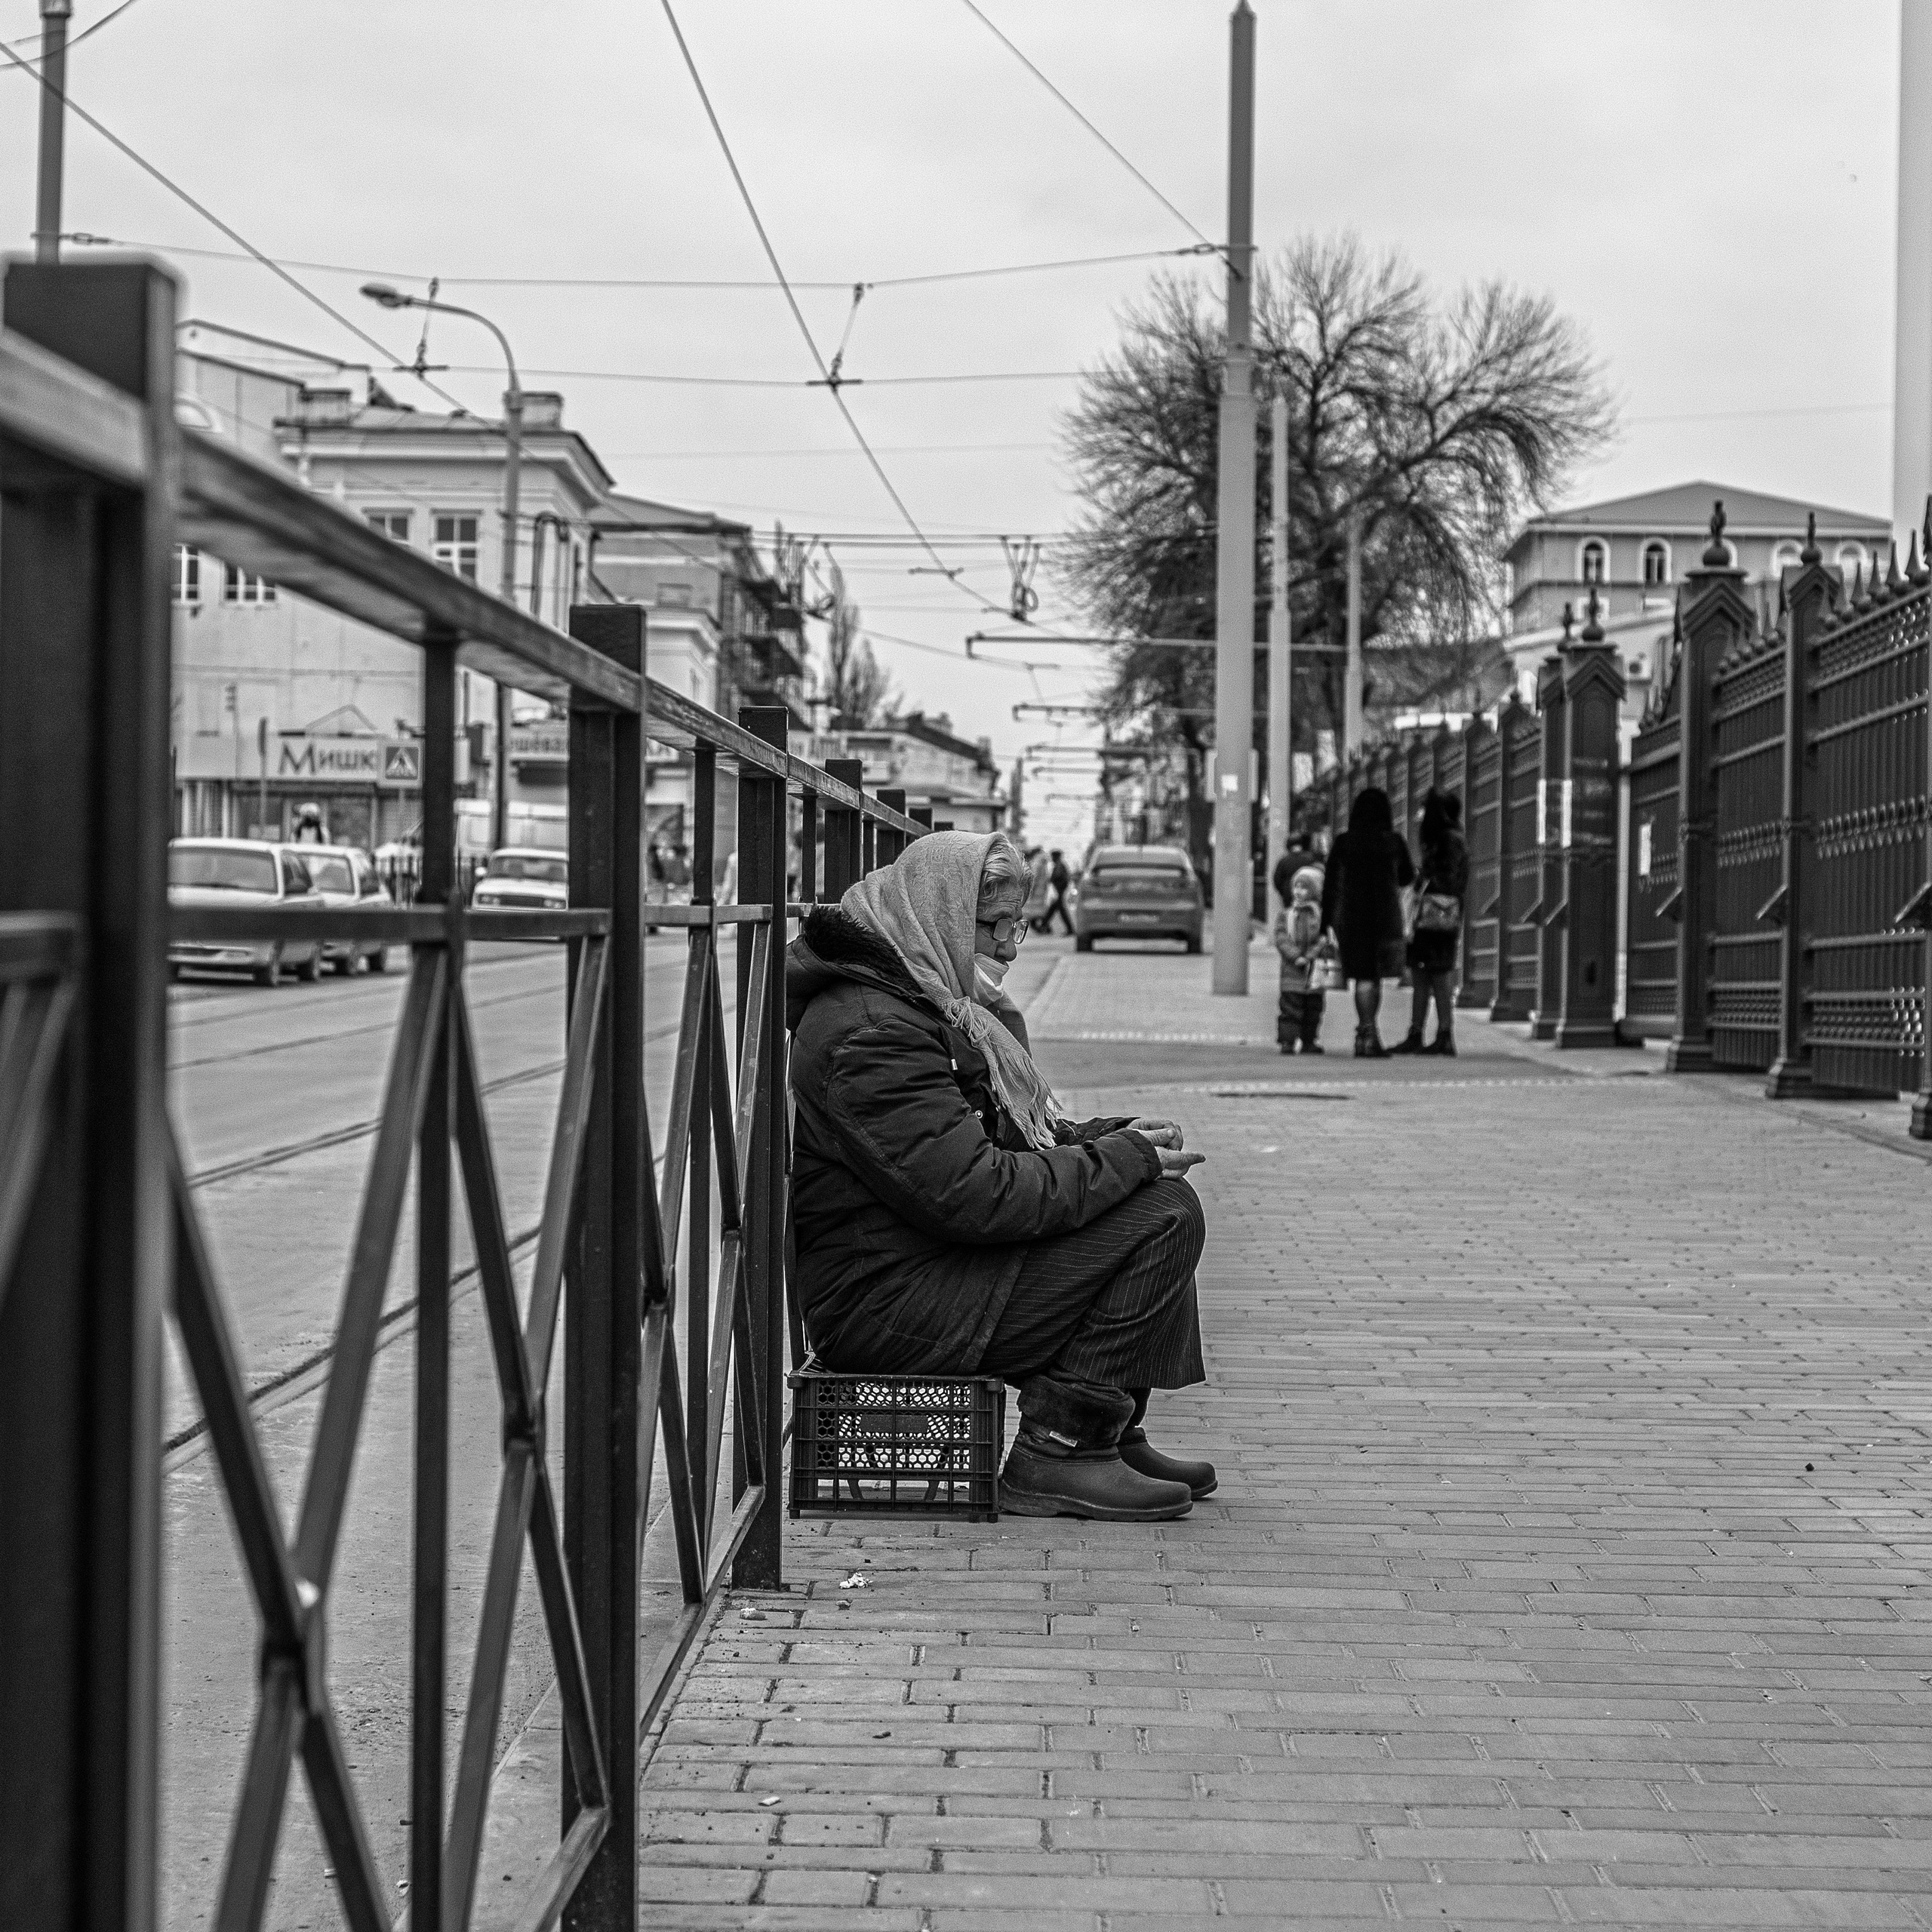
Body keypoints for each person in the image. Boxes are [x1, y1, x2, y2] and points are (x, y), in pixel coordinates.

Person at [787, 829, 1214, 1521]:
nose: (1012, 947)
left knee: (1151, 1191)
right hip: (887, 1305)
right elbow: (976, 1196)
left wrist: (1100, 1140)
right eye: (994, 926)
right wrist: (1123, 1163)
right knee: (1159, 1214)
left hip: (920, 1267)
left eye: (1020, 925)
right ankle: (1061, 1449)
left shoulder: (919, 999)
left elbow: (991, 1144)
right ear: (939, 913)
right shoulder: (874, 1031)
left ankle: (1108, 1432)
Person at [1319, 786, 1414, 1059]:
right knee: (1374, 977)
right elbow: (1406, 877)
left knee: (1362, 975)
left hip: (1351, 917)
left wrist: (1326, 923)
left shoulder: (1344, 842)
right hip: (1384, 916)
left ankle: (1366, 1032)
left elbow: (1330, 885)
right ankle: (1369, 1034)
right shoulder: (1393, 841)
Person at [1392, 789, 1469, 1057]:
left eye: (1425, 808)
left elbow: (1445, 878)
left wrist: (1421, 882)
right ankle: (1428, 1033)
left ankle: (1438, 1034)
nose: (1420, 814)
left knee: (1435, 975)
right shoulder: (1453, 837)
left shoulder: (1446, 840)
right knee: (1426, 974)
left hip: (1433, 916)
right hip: (1441, 916)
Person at [1271, 863, 1327, 1054]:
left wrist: (1310, 957)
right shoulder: (1287, 915)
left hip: (1313, 975)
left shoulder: (1319, 916)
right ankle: (1287, 1041)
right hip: (1291, 974)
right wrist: (1295, 956)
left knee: (1313, 1010)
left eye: (1304, 888)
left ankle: (1309, 1040)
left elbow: (1323, 940)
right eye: (1296, 886)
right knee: (1289, 1010)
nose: (1298, 891)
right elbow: (1281, 937)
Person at [1044, 848, 1075, 936]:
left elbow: (1057, 877)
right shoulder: (1060, 865)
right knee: (1054, 908)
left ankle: (1070, 929)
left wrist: (1051, 880)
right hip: (1059, 891)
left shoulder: (1059, 865)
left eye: (1053, 857)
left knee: (1059, 910)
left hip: (1060, 891)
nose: (1052, 859)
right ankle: (1044, 925)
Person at [1023, 844, 1053, 934]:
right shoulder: (1044, 863)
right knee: (1039, 911)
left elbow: (1034, 877)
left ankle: (1042, 927)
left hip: (1036, 891)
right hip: (1042, 890)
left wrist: (1030, 889)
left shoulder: (1036, 862)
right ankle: (1044, 927)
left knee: (1033, 912)